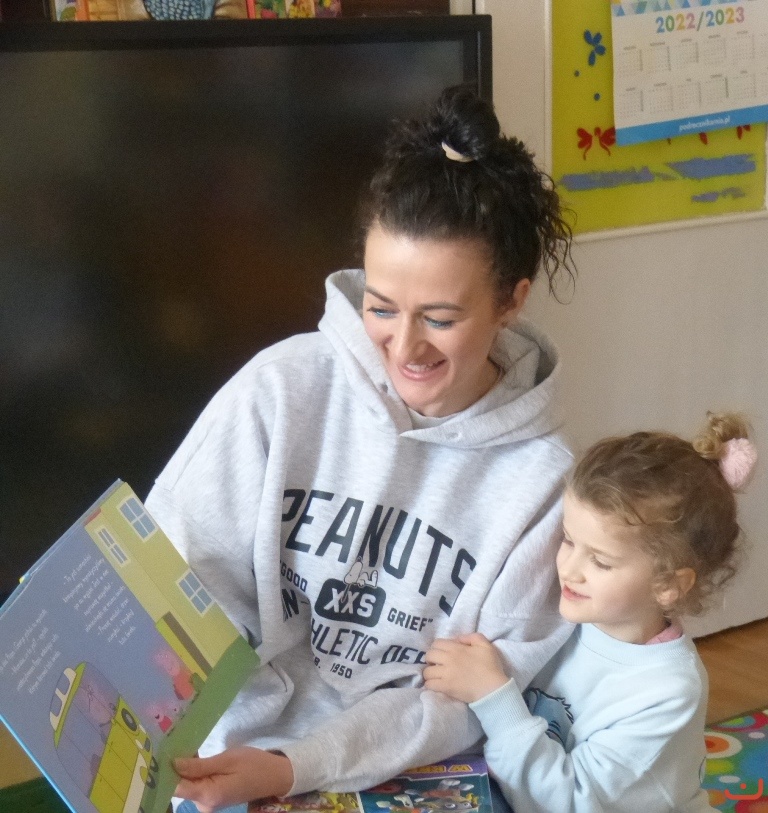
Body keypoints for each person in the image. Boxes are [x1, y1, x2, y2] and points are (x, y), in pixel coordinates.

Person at [145, 85, 576, 812]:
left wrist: (296, 767)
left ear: (511, 300)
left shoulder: (544, 481)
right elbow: (176, 578)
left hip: (408, 764)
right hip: (230, 754)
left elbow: (474, 698)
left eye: (439, 318)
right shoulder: (281, 389)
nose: (404, 347)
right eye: (381, 307)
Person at [424, 412, 758, 813]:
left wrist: (493, 698)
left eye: (600, 561)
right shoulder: (571, 612)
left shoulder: (668, 691)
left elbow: (566, 802)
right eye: (568, 540)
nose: (569, 569)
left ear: (668, 585)